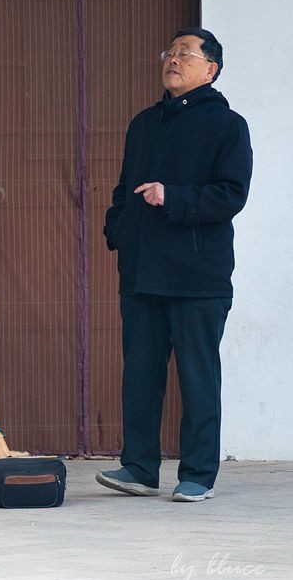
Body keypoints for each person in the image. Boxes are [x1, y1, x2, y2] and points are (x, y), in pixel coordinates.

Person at [97, 28, 252, 504]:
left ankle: (199, 473)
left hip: (197, 276)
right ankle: (139, 468)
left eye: (186, 54)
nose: (174, 59)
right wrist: (117, 230)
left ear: (211, 69)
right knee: (139, 375)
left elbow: (232, 194)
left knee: (197, 376)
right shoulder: (145, 122)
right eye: (170, 52)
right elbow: (125, 187)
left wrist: (174, 196)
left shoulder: (228, 125)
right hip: (142, 272)